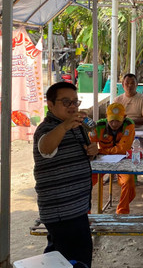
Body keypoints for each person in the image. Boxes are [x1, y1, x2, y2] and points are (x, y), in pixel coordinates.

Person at [33, 82, 98, 267]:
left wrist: (92, 151)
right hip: (61, 210)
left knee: (74, 258)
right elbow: (45, 148)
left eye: (75, 102)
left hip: (77, 207)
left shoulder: (77, 126)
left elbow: (84, 154)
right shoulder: (46, 129)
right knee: (65, 260)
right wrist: (65, 126)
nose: (72, 106)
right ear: (50, 104)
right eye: (66, 102)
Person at [89, 103, 136, 214]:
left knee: (128, 182)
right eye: (111, 121)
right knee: (85, 181)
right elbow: (90, 146)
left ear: (124, 117)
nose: (114, 124)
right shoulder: (98, 126)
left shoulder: (129, 125)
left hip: (123, 160)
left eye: (118, 121)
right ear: (106, 117)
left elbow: (123, 149)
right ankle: (86, 213)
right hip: (101, 161)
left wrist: (100, 151)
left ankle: (122, 212)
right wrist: (93, 151)